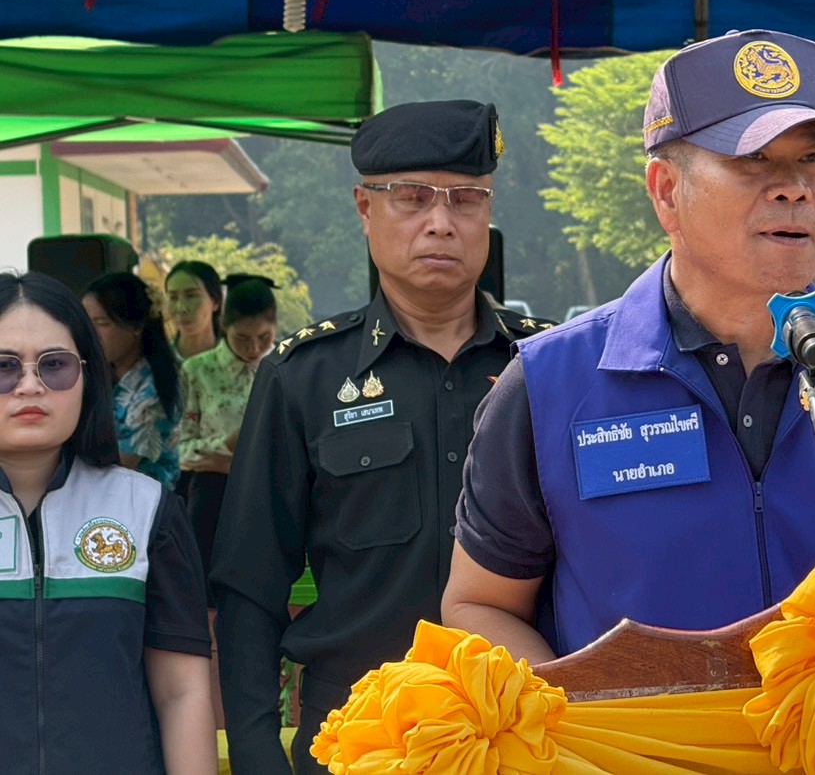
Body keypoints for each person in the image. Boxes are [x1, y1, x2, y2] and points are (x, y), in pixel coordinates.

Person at [444, 30, 815, 664]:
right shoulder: (551, 386)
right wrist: (582, 729)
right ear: (667, 192)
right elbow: (478, 605)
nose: (794, 189)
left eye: (814, 160)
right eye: (752, 161)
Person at [211, 100, 556, 775]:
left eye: (465, 199)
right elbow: (250, 585)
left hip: (527, 731)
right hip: (356, 735)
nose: (440, 221)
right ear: (365, 210)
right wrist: (256, 752)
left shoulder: (548, 366)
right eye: (412, 198)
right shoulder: (302, 377)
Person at [0, 271, 215, 775]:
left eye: (54, 366)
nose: (30, 384)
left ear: (87, 375)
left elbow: (181, 693)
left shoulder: (146, 509)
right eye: (4, 367)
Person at [178, 274, 278, 593]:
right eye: (243, 338)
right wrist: (225, 445)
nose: (254, 348)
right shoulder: (197, 371)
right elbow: (179, 449)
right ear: (223, 326)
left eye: (263, 337)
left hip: (274, 490)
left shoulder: (286, 366)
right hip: (213, 493)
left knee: (268, 585)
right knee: (208, 588)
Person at [82, 272, 183, 490]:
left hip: (143, 509)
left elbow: (121, 462)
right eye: (85, 323)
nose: (90, 334)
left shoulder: (154, 386)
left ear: (136, 326)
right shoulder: (99, 373)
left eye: (101, 323)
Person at [165, 261, 223, 361]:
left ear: (215, 302)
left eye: (191, 296)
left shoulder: (238, 360)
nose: (181, 308)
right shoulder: (159, 360)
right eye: (173, 297)